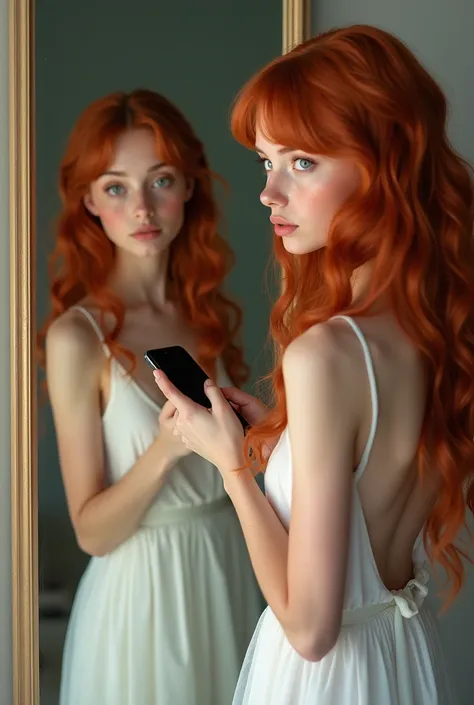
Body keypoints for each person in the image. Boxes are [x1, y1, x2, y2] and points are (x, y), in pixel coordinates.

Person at [154, 25, 474, 705]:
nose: (270, 193)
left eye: (301, 162)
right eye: (265, 162)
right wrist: (280, 435)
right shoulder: (439, 330)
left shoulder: (326, 353)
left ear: (384, 159)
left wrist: (232, 465)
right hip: (402, 661)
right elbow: (372, 486)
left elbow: (309, 627)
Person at [38, 88, 262, 705]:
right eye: (116, 187)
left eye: (160, 180)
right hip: (142, 597)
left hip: (230, 570)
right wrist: (165, 449)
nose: (142, 206)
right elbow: (92, 532)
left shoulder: (209, 319)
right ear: (88, 202)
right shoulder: (79, 338)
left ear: (189, 186)